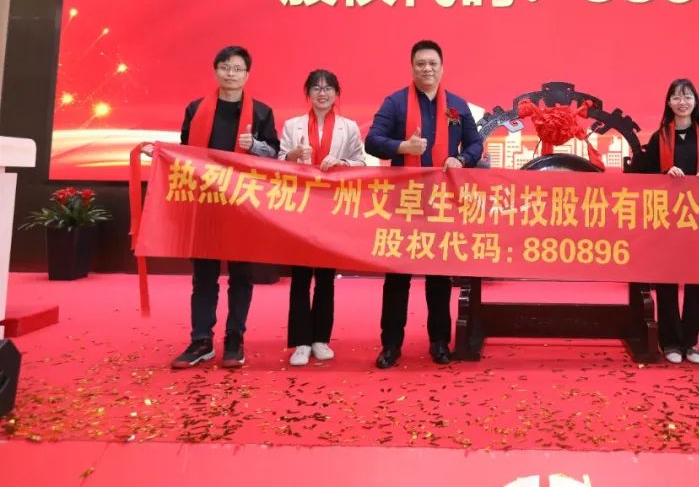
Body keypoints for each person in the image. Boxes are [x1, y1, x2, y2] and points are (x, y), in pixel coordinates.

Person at [365, 40, 484, 368]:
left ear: (442, 67)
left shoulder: (457, 105)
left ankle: (439, 341)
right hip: (404, 202)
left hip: (441, 202)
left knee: (439, 277)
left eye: (432, 63)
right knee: (397, 277)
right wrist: (403, 146)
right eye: (421, 64)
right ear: (412, 67)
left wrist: (462, 159)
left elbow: (476, 144)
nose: (427, 69)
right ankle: (391, 345)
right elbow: (372, 140)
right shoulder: (395, 103)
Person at [170, 46, 280, 369]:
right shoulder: (196, 109)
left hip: (244, 204)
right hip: (205, 202)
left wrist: (254, 146)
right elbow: (185, 152)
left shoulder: (261, 112)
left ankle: (235, 338)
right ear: (216, 70)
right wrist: (160, 154)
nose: (231, 73)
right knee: (203, 275)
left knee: (241, 275)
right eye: (225, 67)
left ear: (247, 74)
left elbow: (275, 154)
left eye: (237, 68)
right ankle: (201, 340)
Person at [278, 69, 366, 367]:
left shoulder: (348, 127)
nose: (322, 93)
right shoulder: (292, 125)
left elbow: (360, 162)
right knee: (301, 277)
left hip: (331, 207)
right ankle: (301, 342)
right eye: (316, 88)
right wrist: (291, 155)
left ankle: (320, 338)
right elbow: (277, 162)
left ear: (337, 94)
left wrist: (341, 162)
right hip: (300, 206)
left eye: (328, 88)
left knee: (326, 277)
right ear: (308, 93)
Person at [629, 79, 699, 364]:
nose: (682, 102)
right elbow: (644, 175)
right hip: (666, 218)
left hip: (698, 219)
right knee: (666, 281)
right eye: (677, 97)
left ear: (695, 102)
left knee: (696, 282)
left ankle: (690, 342)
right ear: (668, 103)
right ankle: (670, 342)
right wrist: (664, 173)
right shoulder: (660, 137)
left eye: (687, 97)